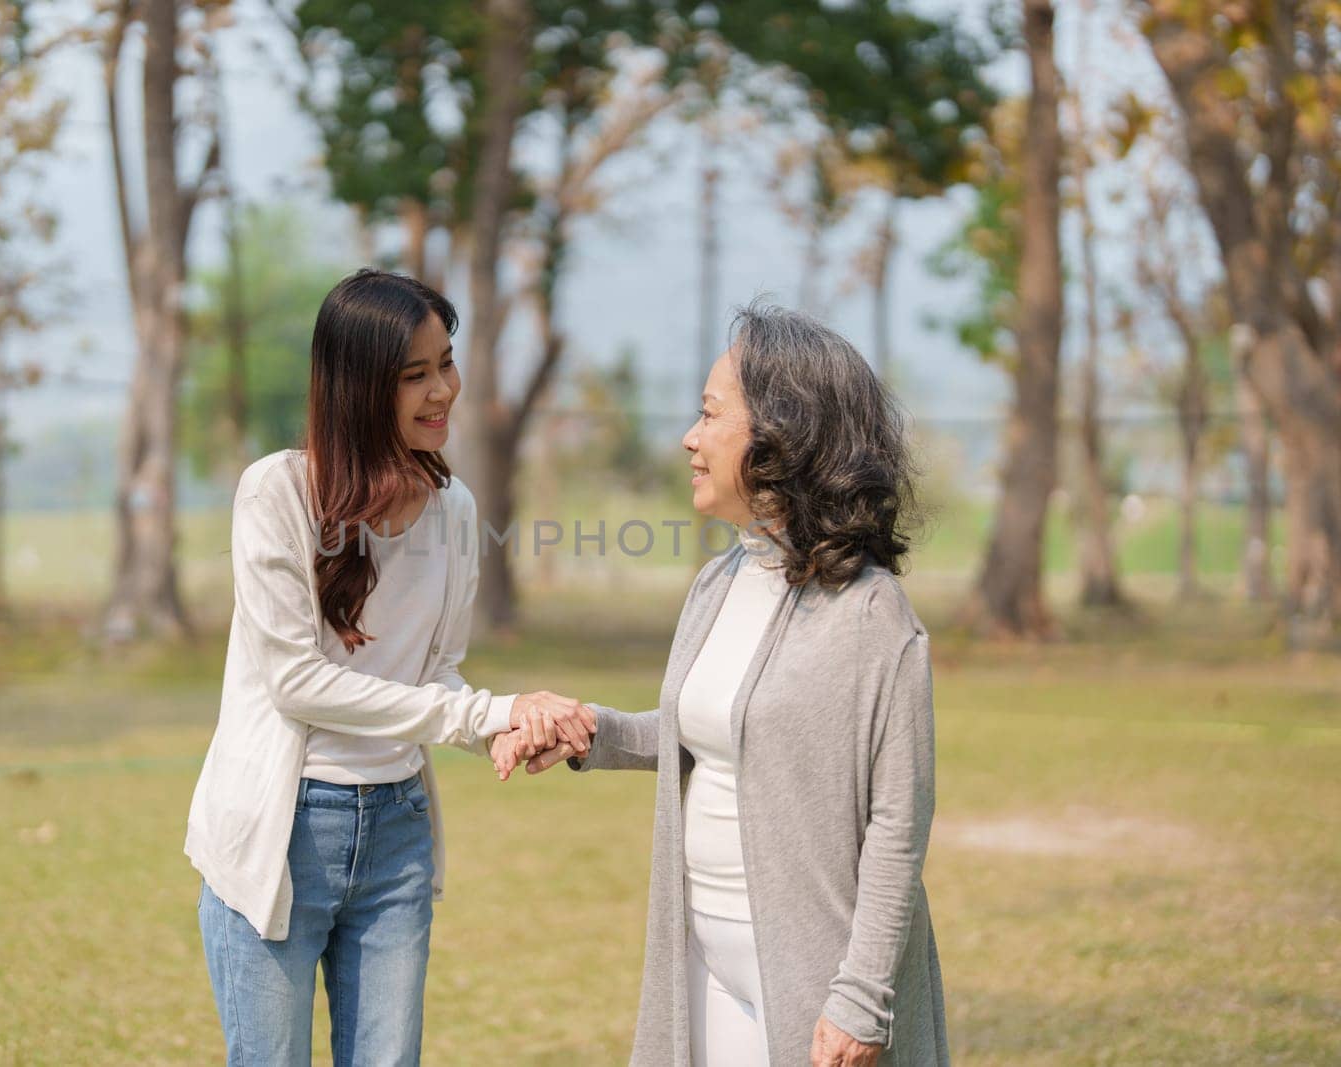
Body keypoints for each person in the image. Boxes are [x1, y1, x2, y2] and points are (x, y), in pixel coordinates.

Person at [499, 304, 947, 1067]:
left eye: (710, 415)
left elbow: (899, 820)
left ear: (782, 435)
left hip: (817, 989)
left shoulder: (871, 611)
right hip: (705, 964)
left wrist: (862, 998)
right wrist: (592, 731)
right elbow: (705, 731)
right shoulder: (720, 579)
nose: (689, 438)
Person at [186, 269, 594, 1066]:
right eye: (416, 375)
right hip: (284, 831)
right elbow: (297, 682)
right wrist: (485, 713)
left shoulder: (456, 511)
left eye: (447, 361)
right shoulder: (276, 492)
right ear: (358, 387)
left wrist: (504, 728)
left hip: (395, 833)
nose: (444, 389)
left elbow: (435, 674)